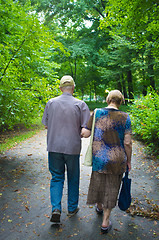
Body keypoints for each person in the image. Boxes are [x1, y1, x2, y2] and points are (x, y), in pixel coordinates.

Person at [81, 90, 132, 234]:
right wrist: (129, 160)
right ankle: (105, 222)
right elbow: (127, 143)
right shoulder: (125, 117)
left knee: (99, 182)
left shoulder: (97, 113)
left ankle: (99, 206)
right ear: (120, 102)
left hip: (99, 158)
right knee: (112, 187)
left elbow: (85, 133)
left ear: (107, 99)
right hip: (117, 159)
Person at [42, 75, 90, 223]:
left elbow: (46, 125)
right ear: (73, 88)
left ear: (60, 88)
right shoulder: (80, 104)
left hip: (54, 146)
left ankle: (56, 208)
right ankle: (71, 208)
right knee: (73, 177)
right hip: (72, 147)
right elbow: (86, 130)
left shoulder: (51, 103)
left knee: (56, 177)